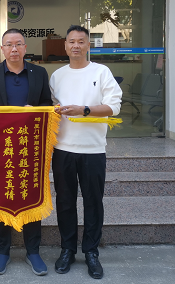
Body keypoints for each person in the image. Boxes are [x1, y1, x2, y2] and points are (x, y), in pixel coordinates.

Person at [0, 28, 52, 276]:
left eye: (18, 44)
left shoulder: (39, 73)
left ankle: (33, 251)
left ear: (25, 48)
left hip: (30, 148)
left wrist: (34, 109)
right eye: (9, 44)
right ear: (2, 49)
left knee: (32, 195)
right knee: (1, 194)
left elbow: (47, 105)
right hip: (0, 149)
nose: (14, 49)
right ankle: (2, 251)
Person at [49, 25, 122, 280]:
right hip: (63, 150)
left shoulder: (101, 72)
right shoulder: (57, 76)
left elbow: (114, 107)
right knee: (65, 202)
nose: (76, 46)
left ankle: (91, 252)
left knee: (93, 202)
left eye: (81, 41)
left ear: (89, 45)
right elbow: (50, 109)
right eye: (72, 41)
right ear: (65, 46)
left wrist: (84, 110)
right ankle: (67, 250)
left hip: (93, 150)